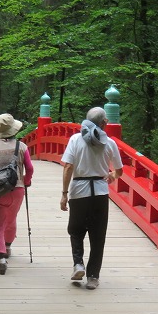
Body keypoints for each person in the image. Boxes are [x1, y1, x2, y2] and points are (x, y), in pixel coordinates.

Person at [60, 107, 124, 290]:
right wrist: (111, 176)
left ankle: (78, 264)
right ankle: (93, 277)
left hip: (79, 191)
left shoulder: (75, 139)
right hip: (100, 192)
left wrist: (64, 194)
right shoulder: (110, 143)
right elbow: (119, 171)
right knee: (98, 235)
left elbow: (68, 167)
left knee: (75, 230)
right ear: (104, 123)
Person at [0, 113, 34, 275]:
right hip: (17, 189)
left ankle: (1, 259)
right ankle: (8, 246)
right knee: (11, 219)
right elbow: (30, 168)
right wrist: (26, 181)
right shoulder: (21, 147)